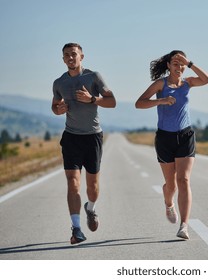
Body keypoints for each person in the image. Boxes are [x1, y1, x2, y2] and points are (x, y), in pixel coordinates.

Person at [135, 50, 208, 239]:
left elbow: (207, 79)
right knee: (171, 184)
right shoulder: (160, 84)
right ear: (168, 65)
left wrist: (191, 63)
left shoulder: (188, 83)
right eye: (175, 63)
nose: (179, 67)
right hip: (165, 138)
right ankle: (169, 204)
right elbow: (139, 103)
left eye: (182, 64)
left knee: (183, 180)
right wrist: (160, 100)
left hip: (185, 135)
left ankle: (184, 226)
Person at [51, 43, 116, 244]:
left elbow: (112, 101)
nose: (70, 58)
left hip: (92, 137)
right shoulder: (59, 83)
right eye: (66, 55)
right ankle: (76, 228)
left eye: (74, 54)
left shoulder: (93, 77)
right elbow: (54, 105)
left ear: (82, 56)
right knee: (72, 182)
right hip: (71, 137)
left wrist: (92, 99)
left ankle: (91, 208)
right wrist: (58, 110)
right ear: (63, 59)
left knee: (93, 186)